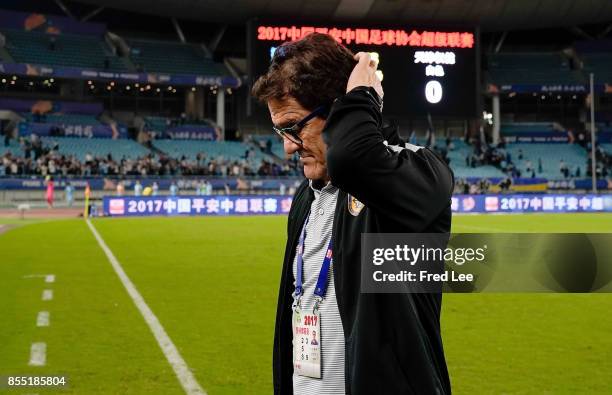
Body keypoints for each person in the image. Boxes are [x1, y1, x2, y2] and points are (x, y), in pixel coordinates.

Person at [252, 33, 453, 395]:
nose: (286, 147)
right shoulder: (306, 197)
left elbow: (353, 158)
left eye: (294, 127)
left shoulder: (420, 173)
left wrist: (360, 97)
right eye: (279, 130)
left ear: (338, 109)